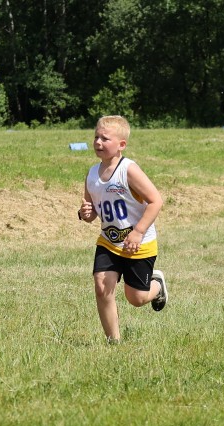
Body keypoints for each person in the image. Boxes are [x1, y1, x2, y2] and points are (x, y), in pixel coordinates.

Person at [78, 115, 168, 344]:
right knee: (101, 286)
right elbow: (91, 212)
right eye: (96, 137)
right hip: (109, 242)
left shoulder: (128, 170)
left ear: (121, 145)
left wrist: (138, 232)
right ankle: (113, 341)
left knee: (136, 298)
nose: (98, 142)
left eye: (105, 139)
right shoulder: (91, 174)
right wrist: (85, 214)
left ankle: (156, 286)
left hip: (139, 244)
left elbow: (155, 200)